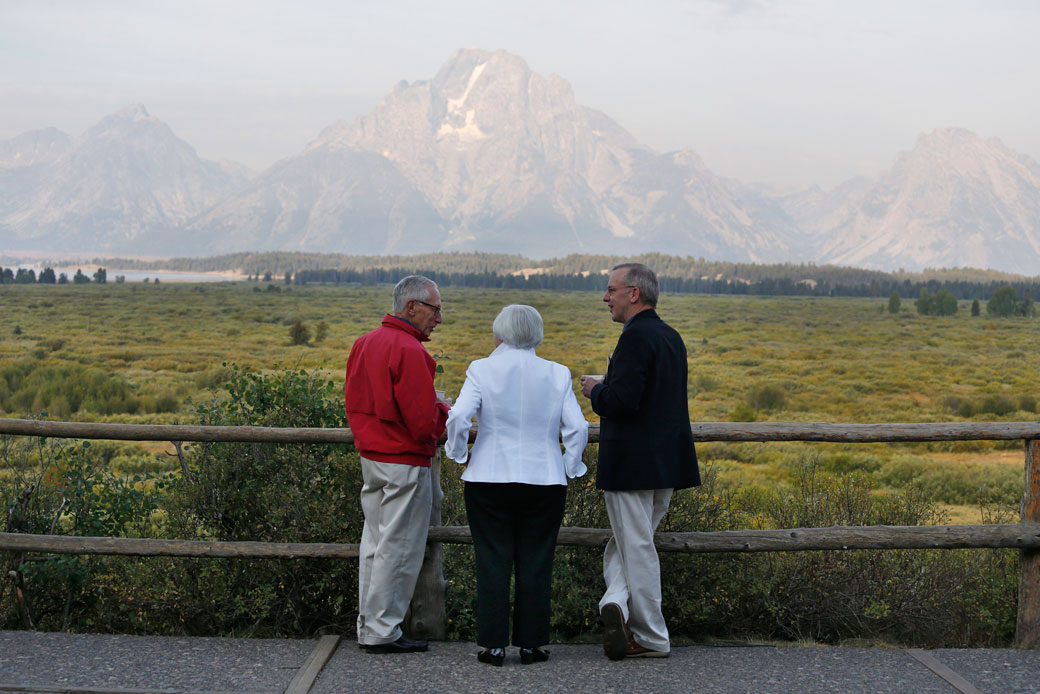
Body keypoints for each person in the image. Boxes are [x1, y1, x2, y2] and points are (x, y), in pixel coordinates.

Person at [444, 305, 589, 666]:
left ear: (500, 334)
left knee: (492, 560)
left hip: (488, 477)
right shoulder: (558, 373)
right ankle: (532, 644)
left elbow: (460, 416)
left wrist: (458, 452)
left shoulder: (481, 369)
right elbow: (579, 428)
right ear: (537, 335)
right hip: (545, 479)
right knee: (536, 561)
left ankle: (492, 645)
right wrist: (571, 465)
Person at [580, 262, 700, 660]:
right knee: (630, 544)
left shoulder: (634, 338)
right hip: (665, 463)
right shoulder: (671, 337)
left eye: (611, 289)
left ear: (634, 293)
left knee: (637, 549)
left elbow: (623, 402)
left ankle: (651, 636)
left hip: (631, 464)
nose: (605, 297)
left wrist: (597, 390)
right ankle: (614, 601)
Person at [344, 275, 451, 654]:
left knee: (374, 542)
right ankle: (383, 630)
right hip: (404, 460)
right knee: (401, 546)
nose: (439, 318)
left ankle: (369, 624)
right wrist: (445, 412)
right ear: (412, 307)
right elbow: (423, 423)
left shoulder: (364, 343)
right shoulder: (411, 352)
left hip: (371, 456)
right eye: (435, 309)